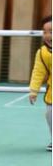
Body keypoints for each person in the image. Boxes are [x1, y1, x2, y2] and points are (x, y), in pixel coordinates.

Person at [28, 16, 52, 151]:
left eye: (52, 31)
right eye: (45, 31)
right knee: (50, 115)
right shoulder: (42, 53)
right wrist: (33, 91)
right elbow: (38, 72)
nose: (47, 35)